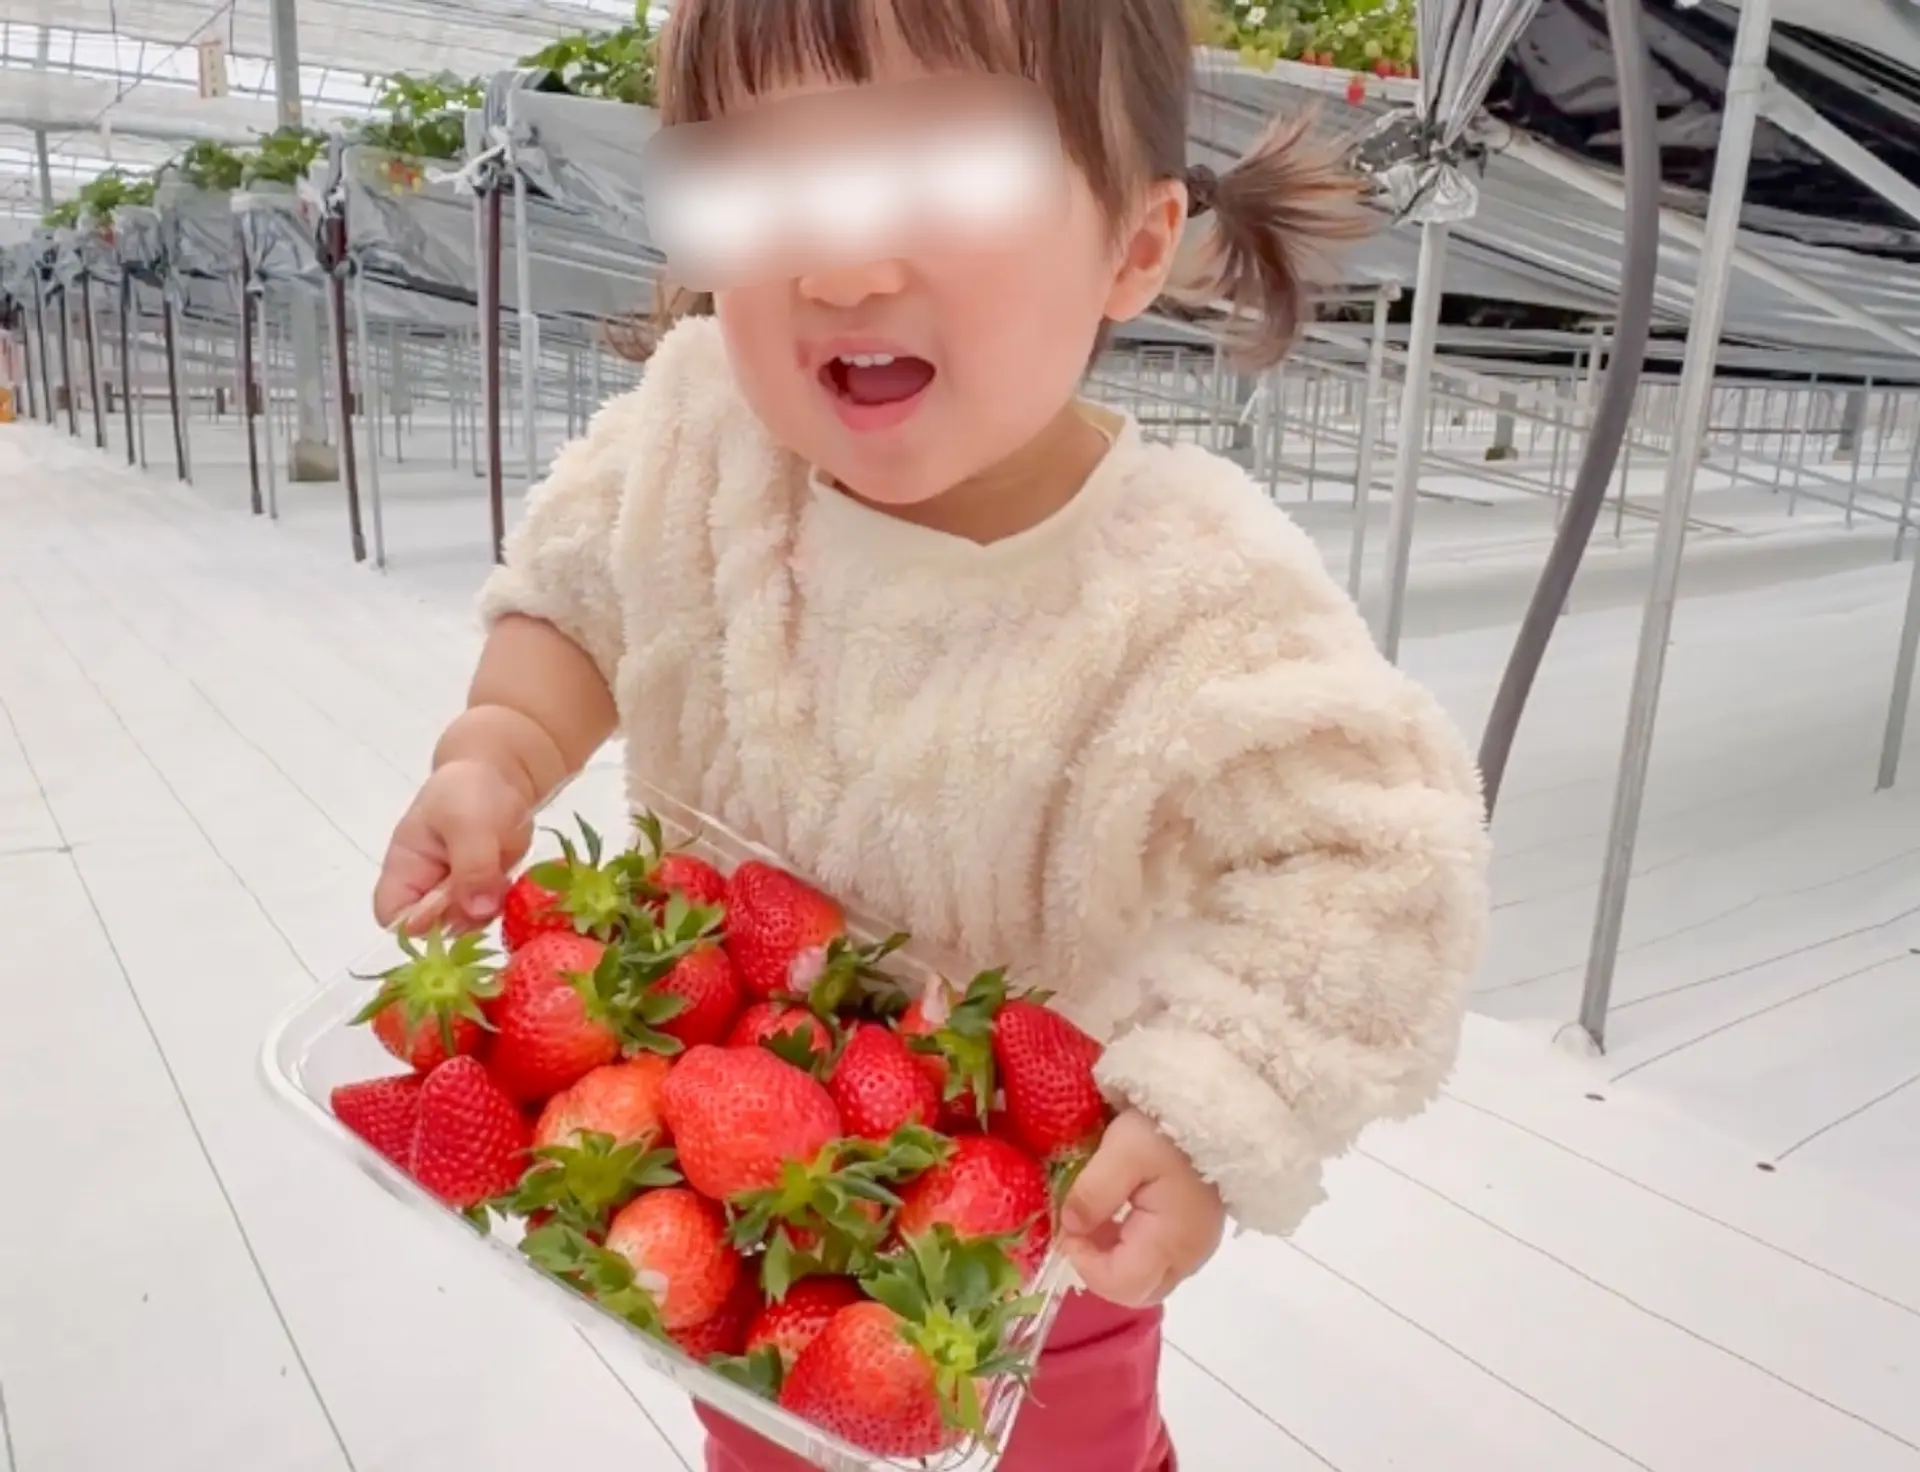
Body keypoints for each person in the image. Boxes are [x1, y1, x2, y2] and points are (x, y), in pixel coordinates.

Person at [373, 0, 1491, 1467]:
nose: (841, 265)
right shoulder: (698, 443)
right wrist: (501, 748)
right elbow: (578, 598)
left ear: (1134, 247)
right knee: (770, 1436)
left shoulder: (1195, 597)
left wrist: (1213, 1107)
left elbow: (1376, 866)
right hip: (744, 1200)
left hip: (1024, 1231)